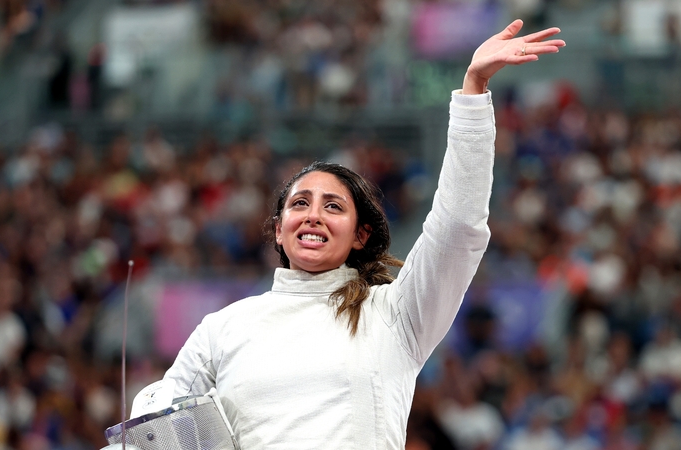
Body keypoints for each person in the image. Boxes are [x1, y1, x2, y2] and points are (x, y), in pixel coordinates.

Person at [163, 19, 565, 449]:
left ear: (360, 235)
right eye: (300, 204)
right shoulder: (224, 328)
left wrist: (473, 89)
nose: (313, 216)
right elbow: (157, 422)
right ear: (279, 231)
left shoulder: (395, 314)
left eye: (332, 207)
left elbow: (458, 227)